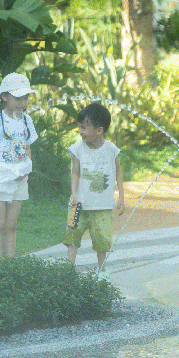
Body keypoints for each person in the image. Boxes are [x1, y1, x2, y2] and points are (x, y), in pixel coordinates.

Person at [0, 72, 38, 260]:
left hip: (19, 177)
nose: (22, 103)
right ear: (5, 96)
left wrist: (26, 171)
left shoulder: (27, 120)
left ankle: (11, 265)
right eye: (17, 98)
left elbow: (27, 148)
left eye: (25, 98)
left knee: (11, 225)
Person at [64, 102, 125, 277]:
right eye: (79, 127)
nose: (79, 131)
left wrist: (121, 196)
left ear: (99, 130)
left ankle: (102, 270)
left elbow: (118, 171)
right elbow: (75, 172)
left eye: (84, 128)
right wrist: (73, 194)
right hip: (78, 205)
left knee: (102, 240)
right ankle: (68, 269)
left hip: (102, 206)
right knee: (72, 236)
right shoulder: (77, 149)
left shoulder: (111, 150)